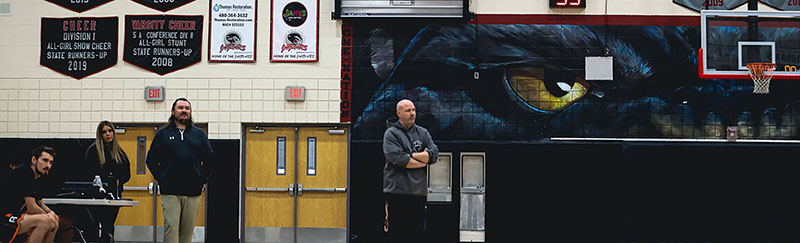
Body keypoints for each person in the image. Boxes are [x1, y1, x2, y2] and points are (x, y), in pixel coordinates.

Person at [146, 98, 213, 243]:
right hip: (170, 191)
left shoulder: (199, 135)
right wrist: (162, 178)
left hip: (193, 191)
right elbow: (151, 160)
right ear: (173, 111)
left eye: (187, 108)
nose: (184, 111)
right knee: (171, 227)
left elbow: (209, 160)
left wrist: (202, 179)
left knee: (187, 232)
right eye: (180, 108)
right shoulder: (162, 134)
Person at [382, 99, 439, 243]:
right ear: (398, 113)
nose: (412, 113)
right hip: (397, 193)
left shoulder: (422, 132)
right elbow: (400, 160)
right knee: (397, 234)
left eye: (413, 110)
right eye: (408, 111)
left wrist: (412, 155)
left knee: (417, 234)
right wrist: (422, 160)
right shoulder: (391, 134)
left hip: (418, 193)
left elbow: (434, 154)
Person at [83, 120, 131, 242]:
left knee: (108, 226)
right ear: (100, 135)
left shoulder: (119, 153)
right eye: (104, 132)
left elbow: (127, 173)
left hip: (113, 195)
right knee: (93, 226)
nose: (108, 134)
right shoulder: (93, 151)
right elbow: (87, 172)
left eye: (110, 131)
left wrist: (119, 180)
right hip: (96, 195)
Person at [0, 146, 60, 243]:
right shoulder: (25, 172)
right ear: (34, 160)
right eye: (45, 160)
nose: (48, 165)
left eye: (51, 162)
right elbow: (32, 207)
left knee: (54, 220)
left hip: (11, 215)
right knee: (44, 221)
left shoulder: (37, 178)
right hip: (3, 217)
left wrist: (52, 214)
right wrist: (49, 217)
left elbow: (40, 204)